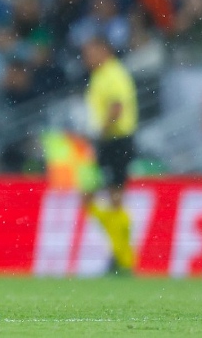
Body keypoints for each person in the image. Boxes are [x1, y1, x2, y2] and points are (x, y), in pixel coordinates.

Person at [79, 36, 138, 275]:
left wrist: (99, 132)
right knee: (88, 195)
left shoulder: (114, 73)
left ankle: (123, 257)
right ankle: (119, 251)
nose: (87, 58)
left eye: (90, 52)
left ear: (104, 50)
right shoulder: (100, 75)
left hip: (116, 142)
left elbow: (116, 108)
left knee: (114, 198)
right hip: (105, 143)